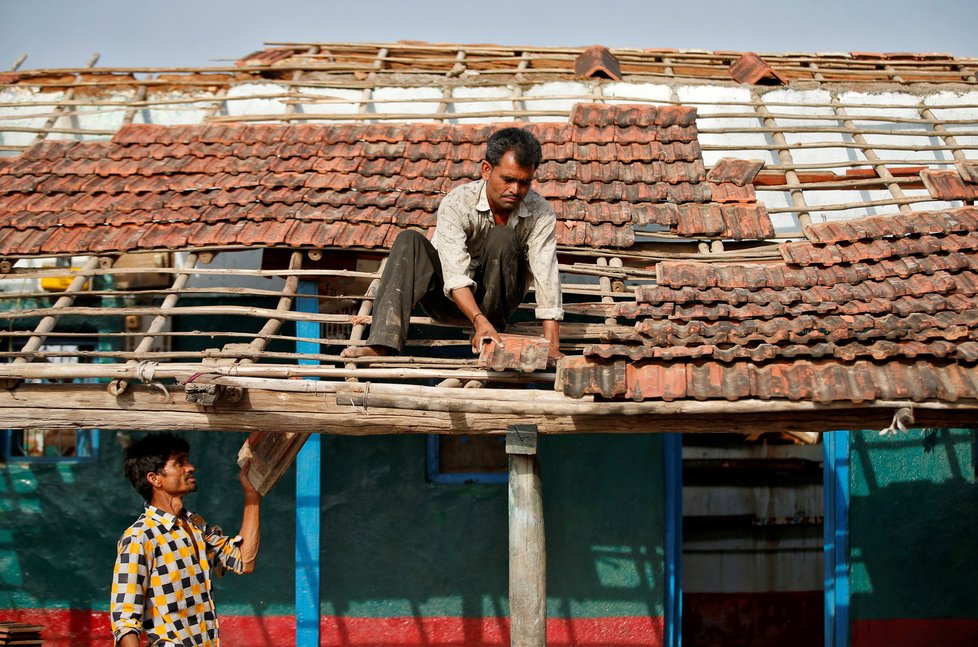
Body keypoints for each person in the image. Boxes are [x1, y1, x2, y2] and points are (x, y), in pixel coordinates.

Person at [341, 127, 563, 362]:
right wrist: (478, 320)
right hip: (448, 300)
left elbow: (545, 274)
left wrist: (553, 345)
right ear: (486, 170)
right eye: (507, 180)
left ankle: (493, 336)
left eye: (524, 183)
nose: (515, 190)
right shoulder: (457, 203)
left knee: (503, 237)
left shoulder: (540, 213)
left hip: (498, 305)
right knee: (408, 240)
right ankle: (383, 344)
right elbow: (455, 274)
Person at [110, 432, 261, 646]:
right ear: (155, 479)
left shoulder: (195, 525)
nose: (190, 467)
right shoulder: (140, 536)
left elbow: (243, 560)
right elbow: (125, 620)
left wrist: (252, 496)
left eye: (187, 460)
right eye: (179, 463)